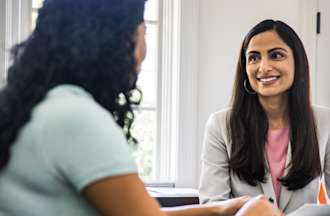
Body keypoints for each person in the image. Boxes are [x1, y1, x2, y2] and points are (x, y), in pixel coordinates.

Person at [0, 0, 282, 215]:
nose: (145, 50)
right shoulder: (77, 119)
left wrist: (218, 210)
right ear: (115, 40)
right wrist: (250, 212)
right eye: (143, 32)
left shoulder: (45, 105)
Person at [199, 19, 330, 214]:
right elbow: (213, 206)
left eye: (276, 55)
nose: (263, 67)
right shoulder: (220, 125)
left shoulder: (325, 121)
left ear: (298, 62)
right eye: (253, 58)